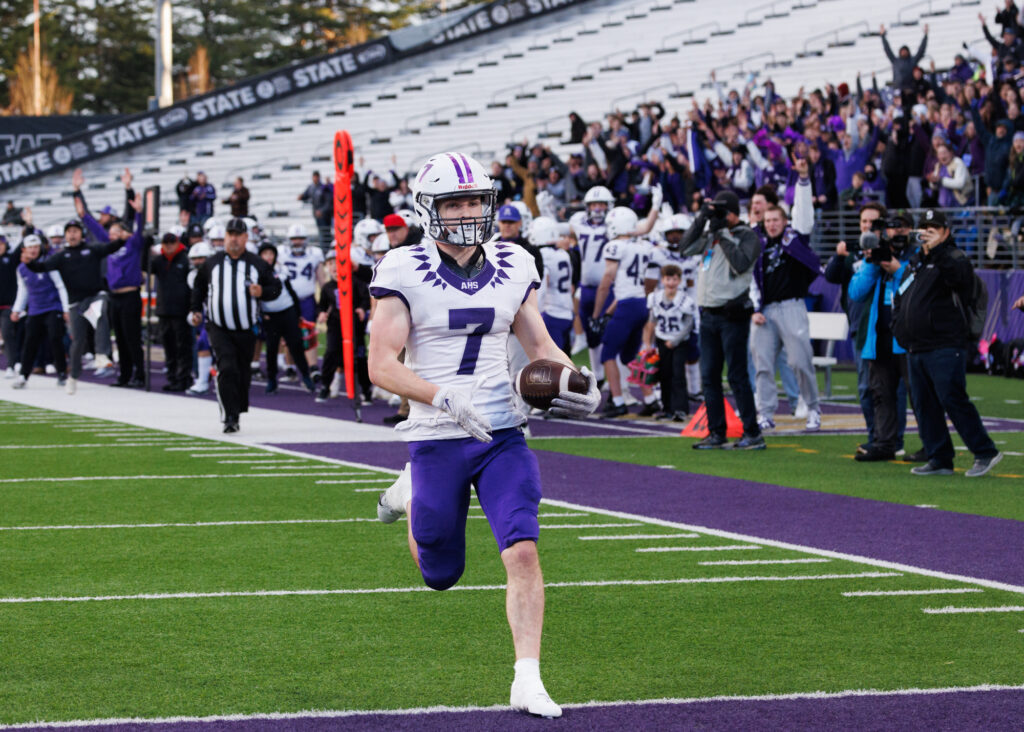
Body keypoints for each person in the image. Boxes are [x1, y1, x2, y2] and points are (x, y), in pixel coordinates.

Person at [369, 151, 600, 719]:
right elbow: (380, 364)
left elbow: (540, 346)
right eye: (454, 201)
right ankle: (409, 491)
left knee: (522, 549)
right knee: (440, 574)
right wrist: (438, 393)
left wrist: (577, 381)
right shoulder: (401, 268)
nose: (468, 211)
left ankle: (528, 677)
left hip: (501, 430)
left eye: (474, 199)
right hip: (436, 431)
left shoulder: (516, 262)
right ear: (430, 209)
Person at [892, 209, 1003, 477]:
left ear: (946, 232)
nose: (928, 232)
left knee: (953, 399)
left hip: (944, 343)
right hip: (916, 346)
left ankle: (985, 451)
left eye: (934, 228)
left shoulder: (955, 258)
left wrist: (937, 250)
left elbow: (959, 279)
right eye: (925, 227)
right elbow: (901, 296)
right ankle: (939, 457)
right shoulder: (916, 262)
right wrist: (899, 328)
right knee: (924, 404)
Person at [679, 190, 764, 450]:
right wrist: (701, 219)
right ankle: (717, 432)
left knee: (737, 376)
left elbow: (740, 263)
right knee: (709, 377)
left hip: (732, 314)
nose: (715, 217)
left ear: (731, 213)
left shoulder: (748, 236)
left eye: (719, 212)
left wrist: (723, 233)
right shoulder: (712, 235)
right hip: (709, 315)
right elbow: (684, 248)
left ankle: (752, 432)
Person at [188, 218, 281, 433]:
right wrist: (195, 310)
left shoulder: (257, 263)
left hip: (247, 328)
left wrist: (262, 292)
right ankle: (229, 416)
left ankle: (236, 411)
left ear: (246, 238)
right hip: (219, 326)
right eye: (230, 234)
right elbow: (198, 287)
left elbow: (275, 287)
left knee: (241, 372)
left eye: (238, 235)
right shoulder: (212, 263)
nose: (234, 239)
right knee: (227, 368)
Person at [750, 164, 823, 432]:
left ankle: (813, 408)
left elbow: (804, 214)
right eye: (767, 221)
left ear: (784, 221)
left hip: (791, 306)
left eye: (776, 220)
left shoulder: (795, 240)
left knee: (799, 361)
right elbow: (750, 278)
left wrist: (804, 179)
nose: (771, 225)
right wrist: (753, 308)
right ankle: (765, 413)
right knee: (763, 365)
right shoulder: (757, 243)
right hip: (765, 310)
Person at [848, 213, 915, 462]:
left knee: (918, 395)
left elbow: (919, 288)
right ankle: (884, 443)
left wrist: (898, 271)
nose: (895, 234)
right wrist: (871, 264)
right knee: (881, 394)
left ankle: (934, 447)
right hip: (879, 339)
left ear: (910, 230)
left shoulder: (917, 256)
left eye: (901, 229)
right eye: (891, 230)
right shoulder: (877, 259)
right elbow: (856, 292)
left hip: (908, 339)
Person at [593, 207, 661, 417]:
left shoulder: (615, 246)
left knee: (607, 354)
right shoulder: (642, 246)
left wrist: (597, 314)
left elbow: (606, 282)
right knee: (629, 356)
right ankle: (650, 399)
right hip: (641, 304)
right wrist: (609, 312)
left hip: (628, 306)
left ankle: (618, 400)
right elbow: (631, 288)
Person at [256, 242, 315, 395]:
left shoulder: (281, 269)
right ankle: (272, 379)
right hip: (270, 315)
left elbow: (290, 290)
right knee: (271, 348)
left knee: (296, 345)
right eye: (265, 254)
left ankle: (306, 377)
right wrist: (261, 314)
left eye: (271, 253)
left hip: (287, 310)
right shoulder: (256, 272)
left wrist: (297, 312)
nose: (269, 257)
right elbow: (255, 297)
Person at [10, 235, 69, 388]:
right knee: (30, 342)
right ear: (24, 249)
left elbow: (60, 286)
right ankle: (23, 375)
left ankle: (62, 372)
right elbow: (23, 291)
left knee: (55, 338)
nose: (33, 250)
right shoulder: (21, 268)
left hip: (52, 306)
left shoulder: (49, 262)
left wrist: (65, 308)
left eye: (36, 247)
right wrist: (17, 309)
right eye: (30, 247)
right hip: (35, 309)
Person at [641, 263, 697, 421]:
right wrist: (647, 343)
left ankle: (680, 409)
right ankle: (667, 408)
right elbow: (651, 320)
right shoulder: (655, 297)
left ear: (679, 280)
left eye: (674, 279)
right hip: (661, 339)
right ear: (662, 280)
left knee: (678, 374)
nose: (671, 283)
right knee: (664, 374)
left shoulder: (685, 299)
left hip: (679, 341)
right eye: (667, 279)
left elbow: (688, 325)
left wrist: (675, 340)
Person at [316, 257, 371, 403]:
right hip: (335, 324)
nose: (334, 267)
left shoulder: (355, 282)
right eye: (330, 264)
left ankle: (365, 390)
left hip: (354, 324)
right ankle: (325, 386)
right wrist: (321, 313)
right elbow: (322, 304)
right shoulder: (327, 287)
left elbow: (365, 298)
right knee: (331, 353)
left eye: (337, 264)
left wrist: (362, 308)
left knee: (359, 357)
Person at [277, 224, 325, 380]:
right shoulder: (281, 254)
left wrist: (323, 300)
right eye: (294, 239)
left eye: (300, 238)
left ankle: (312, 367)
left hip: (307, 300)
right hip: (287, 300)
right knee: (288, 334)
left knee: (308, 333)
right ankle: (290, 367)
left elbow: (321, 279)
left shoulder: (314, 254)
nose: (297, 242)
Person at [150, 232, 193, 392]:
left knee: (183, 346)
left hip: (181, 311)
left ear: (177, 243)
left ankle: (184, 378)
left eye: (171, 242)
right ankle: (173, 377)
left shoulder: (185, 259)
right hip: (164, 310)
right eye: (165, 243)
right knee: (169, 347)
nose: (168, 246)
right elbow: (143, 264)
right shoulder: (159, 260)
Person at [530, 216, 575, 354]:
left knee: (552, 361)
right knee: (565, 358)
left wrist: (535, 313)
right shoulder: (563, 254)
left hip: (552, 312)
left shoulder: (543, 255)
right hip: (567, 311)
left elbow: (544, 284)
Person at [880, 23, 928, 98]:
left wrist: (925, 35)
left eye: (905, 51)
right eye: (902, 51)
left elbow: (921, 50)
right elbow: (887, 50)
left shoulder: (912, 61)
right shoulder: (895, 61)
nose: (904, 52)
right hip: (898, 90)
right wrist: (883, 36)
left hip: (911, 90)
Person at [1, 235, 20, 378]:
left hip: (7, 305)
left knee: (8, 333)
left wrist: (29, 226)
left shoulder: (10, 259)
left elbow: (21, 249)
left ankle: (11, 365)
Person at [298, 171, 334, 249]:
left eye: (316, 177)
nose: (315, 178)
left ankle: (327, 248)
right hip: (317, 214)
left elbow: (328, 201)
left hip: (325, 215)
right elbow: (306, 195)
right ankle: (324, 248)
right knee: (321, 232)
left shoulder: (323, 187)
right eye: (314, 177)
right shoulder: (311, 187)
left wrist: (322, 211)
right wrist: (301, 197)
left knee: (326, 232)